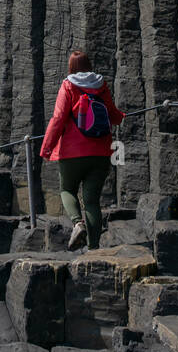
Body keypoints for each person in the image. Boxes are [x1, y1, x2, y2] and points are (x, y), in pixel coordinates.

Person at [39, 50, 125, 251]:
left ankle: (78, 224)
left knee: (67, 189)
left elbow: (58, 119)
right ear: (89, 64)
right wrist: (122, 116)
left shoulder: (68, 85)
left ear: (71, 67)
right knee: (92, 201)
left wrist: (46, 148)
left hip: (72, 153)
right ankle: (93, 249)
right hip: (101, 152)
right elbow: (112, 114)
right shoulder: (101, 85)